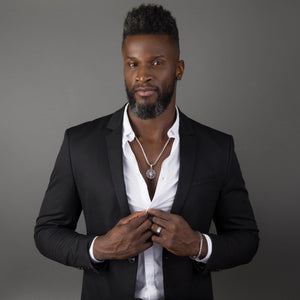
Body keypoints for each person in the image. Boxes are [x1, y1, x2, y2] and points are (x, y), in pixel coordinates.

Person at [34, 4, 259, 300]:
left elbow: (246, 239)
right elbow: (47, 232)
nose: (142, 75)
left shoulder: (217, 147)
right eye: (133, 64)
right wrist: (100, 247)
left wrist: (197, 245)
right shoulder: (80, 144)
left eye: (155, 63)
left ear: (178, 69)